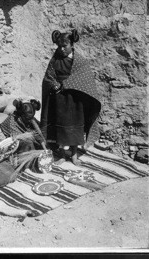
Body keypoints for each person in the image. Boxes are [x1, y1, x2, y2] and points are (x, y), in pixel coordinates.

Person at [40, 29, 101, 166]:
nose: (62, 49)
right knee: (61, 127)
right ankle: (62, 154)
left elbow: (83, 77)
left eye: (65, 46)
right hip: (60, 98)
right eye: (59, 46)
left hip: (75, 99)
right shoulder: (55, 59)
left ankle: (74, 155)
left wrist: (66, 84)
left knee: (75, 127)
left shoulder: (79, 61)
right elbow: (49, 76)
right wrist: (54, 84)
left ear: (72, 44)